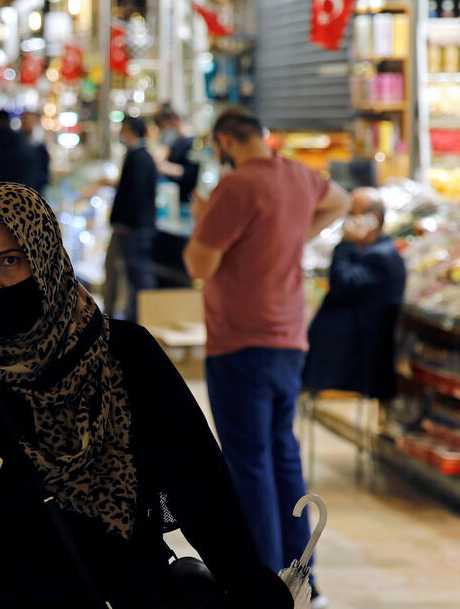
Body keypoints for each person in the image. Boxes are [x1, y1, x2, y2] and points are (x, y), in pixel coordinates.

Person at [0, 182, 294, 609]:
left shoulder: (126, 356)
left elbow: (203, 494)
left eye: (10, 260)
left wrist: (255, 591)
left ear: (45, 257)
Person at [182, 107, 350, 600]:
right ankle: (303, 579)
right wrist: (293, 236)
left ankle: (264, 584)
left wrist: (203, 221)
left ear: (224, 142)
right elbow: (340, 201)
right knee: (283, 458)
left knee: (249, 465)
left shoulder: (235, 187)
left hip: (240, 341)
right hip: (288, 339)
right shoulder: (298, 176)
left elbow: (199, 262)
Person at [305, 187, 407, 401]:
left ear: (374, 218)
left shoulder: (381, 257)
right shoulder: (369, 252)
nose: (348, 220)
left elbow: (342, 284)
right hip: (345, 356)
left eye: (354, 213)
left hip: (356, 362)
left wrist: (344, 245)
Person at [106, 116, 157, 321]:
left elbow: (133, 193)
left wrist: (123, 221)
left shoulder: (139, 157)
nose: (120, 133)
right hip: (134, 226)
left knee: (138, 275)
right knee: (133, 275)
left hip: (133, 228)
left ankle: (142, 319)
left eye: (123, 128)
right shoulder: (140, 156)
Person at [155, 104, 199, 206]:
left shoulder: (190, 142)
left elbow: (192, 172)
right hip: (177, 196)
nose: (165, 131)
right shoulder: (177, 142)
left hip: (187, 196)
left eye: (166, 126)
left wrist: (166, 167)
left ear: (175, 120)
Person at [20, 110, 51, 195]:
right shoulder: (16, 144)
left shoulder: (39, 146)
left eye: (29, 120)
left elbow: (45, 170)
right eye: (24, 121)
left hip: (36, 190)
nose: (27, 123)